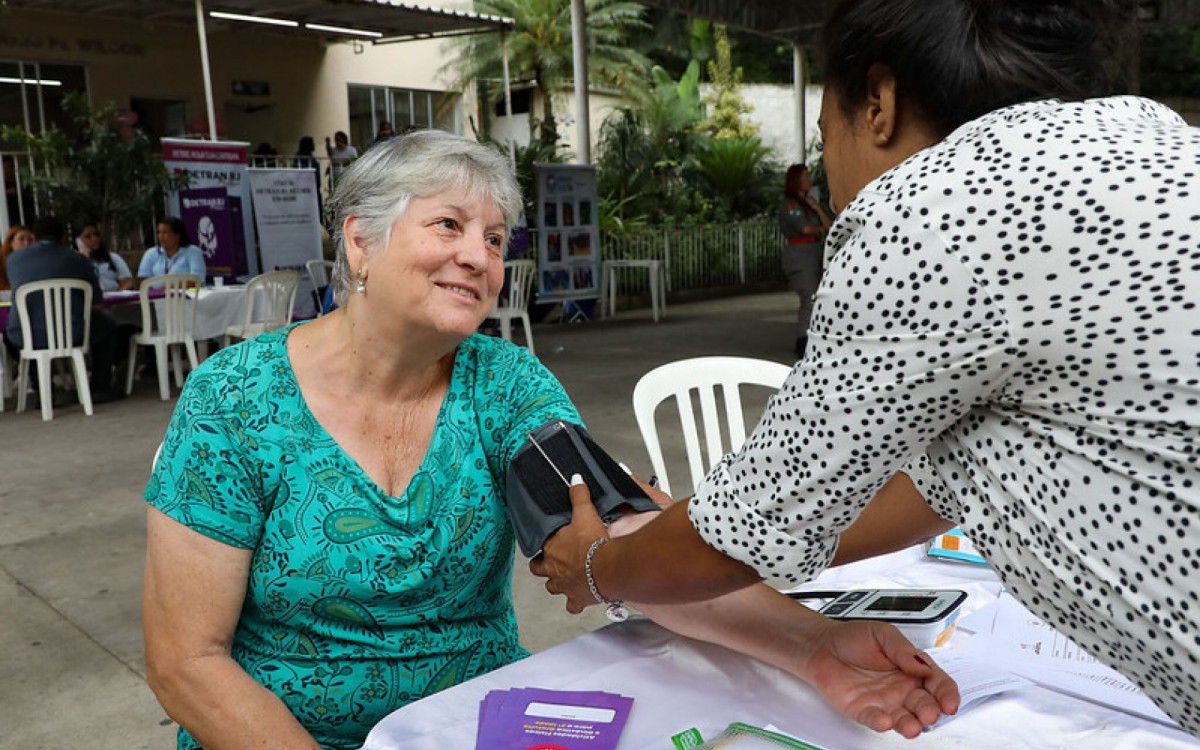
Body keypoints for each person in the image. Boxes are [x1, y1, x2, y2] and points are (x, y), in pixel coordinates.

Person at [142, 130, 958, 750]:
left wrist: (816, 647)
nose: (478, 256)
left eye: (495, 239)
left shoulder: (502, 385)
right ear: (360, 241)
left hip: (466, 723)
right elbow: (187, 660)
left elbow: (632, 543)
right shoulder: (235, 401)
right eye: (451, 225)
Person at [533, 0, 1200, 737]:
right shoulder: (1151, 143)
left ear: (878, 104)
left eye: (826, 142)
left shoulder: (928, 213)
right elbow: (921, 492)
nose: (830, 185)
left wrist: (598, 564)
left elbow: (740, 537)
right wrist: (671, 532)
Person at [4, 216, 123, 403]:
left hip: (26, 335)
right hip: (70, 333)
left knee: (15, 331)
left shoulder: (13, 260)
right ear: (64, 237)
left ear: (34, 236)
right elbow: (97, 304)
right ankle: (100, 387)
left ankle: (44, 390)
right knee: (107, 326)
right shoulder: (78, 259)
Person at [779, 163, 830, 358]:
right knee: (809, 297)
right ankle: (803, 340)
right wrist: (818, 228)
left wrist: (817, 208)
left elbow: (828, 225)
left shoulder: (810, 203)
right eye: (805, 177)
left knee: (818, 297)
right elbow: (804, 229)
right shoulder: (790, 205)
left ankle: (815, 336)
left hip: (814, 252)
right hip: (800, 254)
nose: (809, 180)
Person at [137, 217, 206, 280]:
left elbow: (197, 279)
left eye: (165, 232)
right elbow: (143, 279)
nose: (161, 236)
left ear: (177, 235)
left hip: (187, 293)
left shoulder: (193, 252)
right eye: (159, 232)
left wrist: (167, 288)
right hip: (156, 293)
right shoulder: (151, 253)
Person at [75, 222, 134, 292]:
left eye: (96, 235)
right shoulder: (74, 260)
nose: (94, 239)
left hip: (113, 298)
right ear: (78, 241)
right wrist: (83, 258)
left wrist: (117, 295)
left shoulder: (113, 258)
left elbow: (128, 282)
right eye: (88, 236)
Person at [1, 224, 36, 291]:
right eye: (21, 239)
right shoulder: (2, 261)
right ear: (11, 242)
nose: (26, 243)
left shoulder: (35, 262)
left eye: (30, 240)